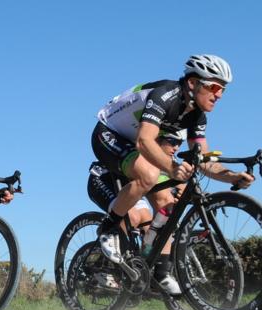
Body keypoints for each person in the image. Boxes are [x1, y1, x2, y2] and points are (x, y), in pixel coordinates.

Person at [91, 54, 254, 295]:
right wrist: (171, 167)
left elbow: (204, 160)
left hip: (138, 143)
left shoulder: (197, 115)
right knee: (147, 175)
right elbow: (145, 141)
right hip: (110, 133)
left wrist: (232, 176)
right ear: (192, 83)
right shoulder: (166, 95)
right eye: (215, 86)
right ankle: (108, 228)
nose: (219, 94)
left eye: (223, 90)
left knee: (168, 202)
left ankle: (161, 272)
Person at [87, 132, 186, 289]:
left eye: (180, 143)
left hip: (127, 188)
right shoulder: (146, 152)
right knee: (132, 217)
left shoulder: (167, 161)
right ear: (157, 140)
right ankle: (103, 265)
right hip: (103, 179)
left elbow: (180, 184)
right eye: (172, 141)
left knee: (150, 230)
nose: (177, 147)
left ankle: (139, 273)